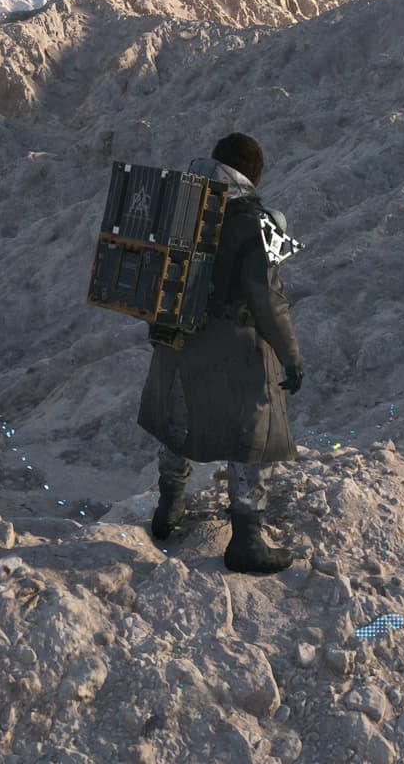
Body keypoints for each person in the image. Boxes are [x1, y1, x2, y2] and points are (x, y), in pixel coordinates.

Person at [136, 132, 305, 574]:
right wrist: (291, 356)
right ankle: (247, 540)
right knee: (252, 434)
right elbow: (268, 299)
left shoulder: (180, 206)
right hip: (234, 348)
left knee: (178, 421)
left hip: (176, 339)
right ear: (253, 174)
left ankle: (168, 509)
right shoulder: (257, 221)